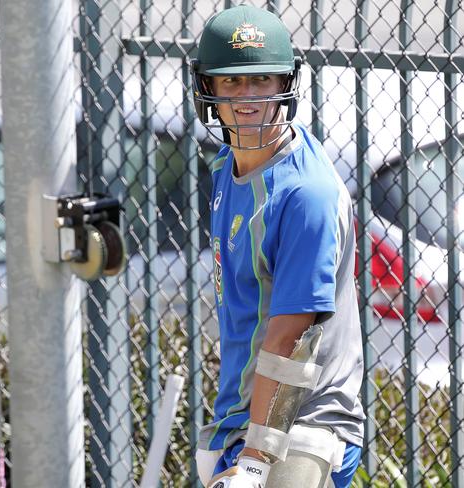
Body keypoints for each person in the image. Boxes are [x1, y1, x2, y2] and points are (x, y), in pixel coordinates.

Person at [190, 4, 365, 488]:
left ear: (284, 83)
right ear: (208, 88)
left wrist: (255, 459)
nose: (247, 96)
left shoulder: (306, 194)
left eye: (262, 80)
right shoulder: (228, 165)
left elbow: (289, 340)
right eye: (232, 82)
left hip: (305, 424)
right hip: (240, 416)